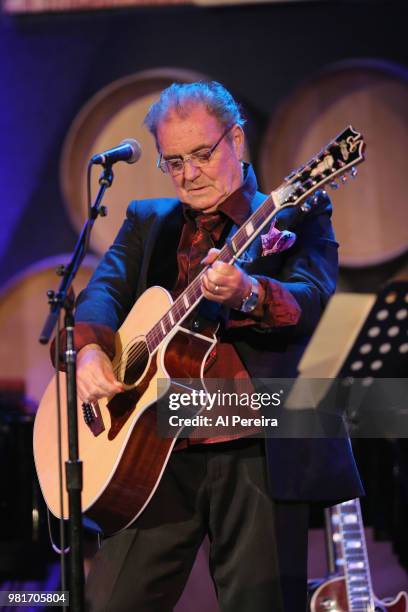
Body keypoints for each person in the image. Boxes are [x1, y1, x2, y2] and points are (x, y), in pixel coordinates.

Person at [65, 81, 363, 611]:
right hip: (152, 450)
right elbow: (100, 295)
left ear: (237, 141)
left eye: (201, 154)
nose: (189, 173)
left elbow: (313, 298)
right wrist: (89, 351)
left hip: (257, 446)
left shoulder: (296, 213)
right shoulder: (147, 221)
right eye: (173, 161)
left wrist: (249, 292)